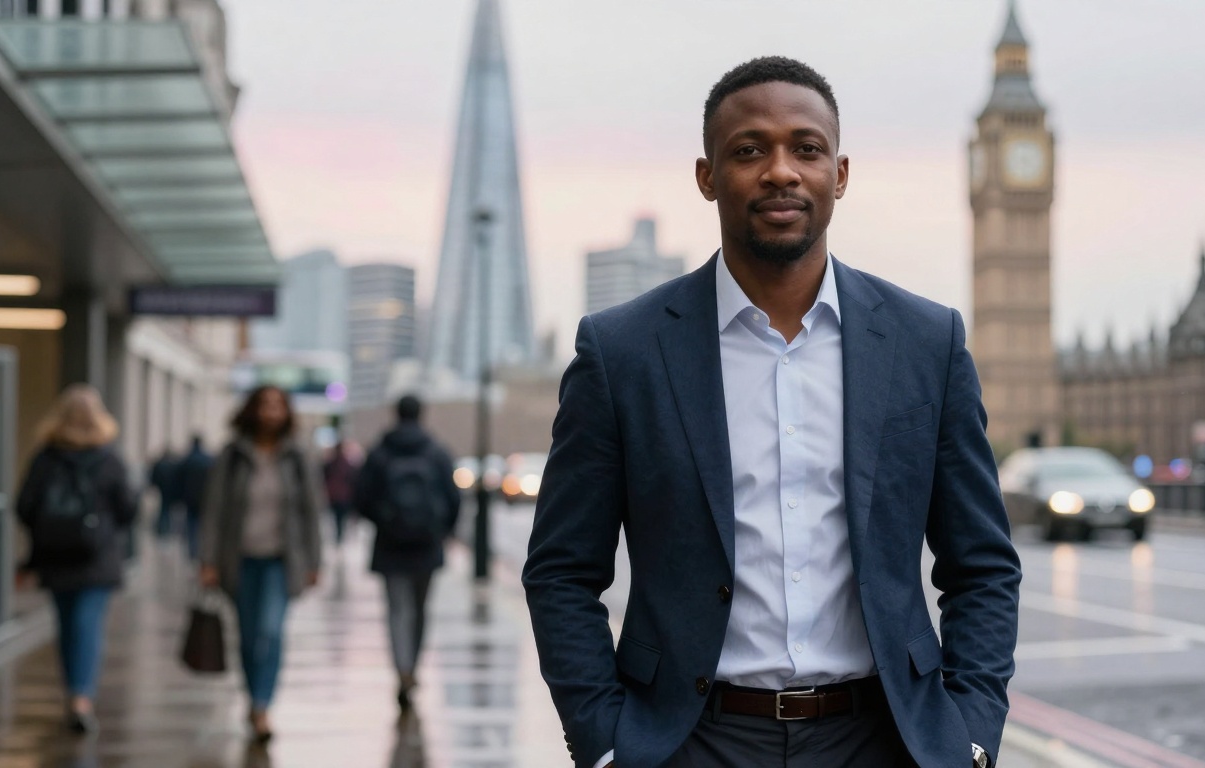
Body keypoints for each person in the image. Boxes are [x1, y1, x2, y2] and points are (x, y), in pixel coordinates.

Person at [522, 57, 1021, 768]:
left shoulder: (925, 343)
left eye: (806, 149)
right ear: (707, 177)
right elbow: (562, 571)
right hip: (692, 741)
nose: (780, 170)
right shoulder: (623, 352)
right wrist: (605, 743)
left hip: (882, 739)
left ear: (839, 174)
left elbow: (982, 566)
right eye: (749, 150)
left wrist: (968, 734)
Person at [199, 385, 324, 743]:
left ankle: (263, 705)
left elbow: (312, 512)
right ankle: (252, 698)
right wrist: (208, 560)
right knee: (248, 635)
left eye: (278, 405)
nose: (271, 411)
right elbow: (214, 510)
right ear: (252, 410)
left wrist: (315, 560)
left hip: (280, 560)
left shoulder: (297, 457)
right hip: (237, 559)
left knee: (270, 631)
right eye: (264, 404)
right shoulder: (233, 455)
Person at [16, 384, 138, 734]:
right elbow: (127, 508)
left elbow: (25, 505)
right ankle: (80, 695)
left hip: (56, 555)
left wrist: (53, 529)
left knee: (69, 625)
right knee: (86, 625)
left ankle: (76, 692)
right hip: (96, 556)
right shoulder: (109, 457)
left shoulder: (47, 457)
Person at [353, 395, 461, 711]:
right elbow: (454, 498)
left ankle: (401, 669)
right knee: (419, 610)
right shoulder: (436, 452)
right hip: (427, 545)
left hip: (389, 545)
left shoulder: (380, 452)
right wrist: (441, 531)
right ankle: (412, 667)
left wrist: (384, 522)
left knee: (397, 610)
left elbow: (361, 497)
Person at [176, 434, 215, 562]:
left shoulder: (187, 460)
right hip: (205, 498)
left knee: (191, 525)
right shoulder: (208, 459)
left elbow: (179, 480)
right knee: (203, 525)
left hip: (190, 498)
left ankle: (193, 552)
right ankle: (201, 551)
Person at [322, 439, 362, 544]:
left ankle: (339, 538)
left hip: (336, 497)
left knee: (338, 520)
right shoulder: (346, 465)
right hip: (342, 497)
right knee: (340, 520)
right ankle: (339, 537)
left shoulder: (331, 464)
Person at [148, 447, 180, 538]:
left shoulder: (160, 464)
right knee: (166, 509)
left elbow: (154, 476)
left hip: (162, 488)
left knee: (163, 509)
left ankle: (163, 528)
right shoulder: (172, 464)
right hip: (169, 489)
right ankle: (165, 528)